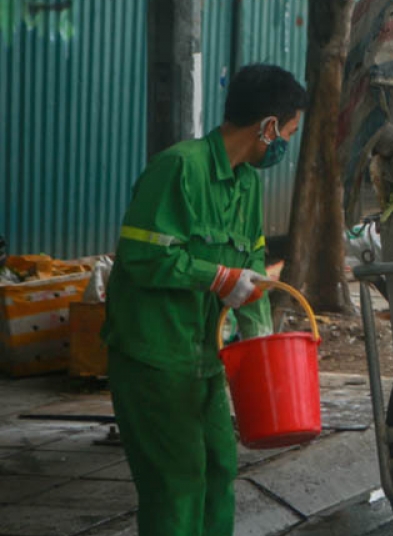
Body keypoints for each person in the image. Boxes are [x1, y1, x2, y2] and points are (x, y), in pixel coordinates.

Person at [104, 64, 308, 536]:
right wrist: (217, 277)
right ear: (268, 127)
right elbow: (139, 259)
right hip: (154, 358)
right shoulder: (178, 168)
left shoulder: (247, 184)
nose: (285, 145)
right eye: (288, 133)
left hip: (207, 359)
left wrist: (260, 333)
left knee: (219, 469)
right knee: (176, 483)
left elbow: (252, 267)